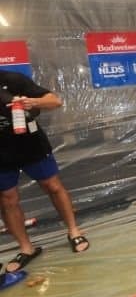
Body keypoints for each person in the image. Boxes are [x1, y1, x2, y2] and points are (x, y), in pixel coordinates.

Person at [0, 70, 89, 273]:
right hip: (2, 154)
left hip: (30, 145)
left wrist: (33, 102)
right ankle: (26, 248)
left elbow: (55, 101)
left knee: (53, 186)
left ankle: (74, 231)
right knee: (7, 199)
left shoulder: (12, 79)